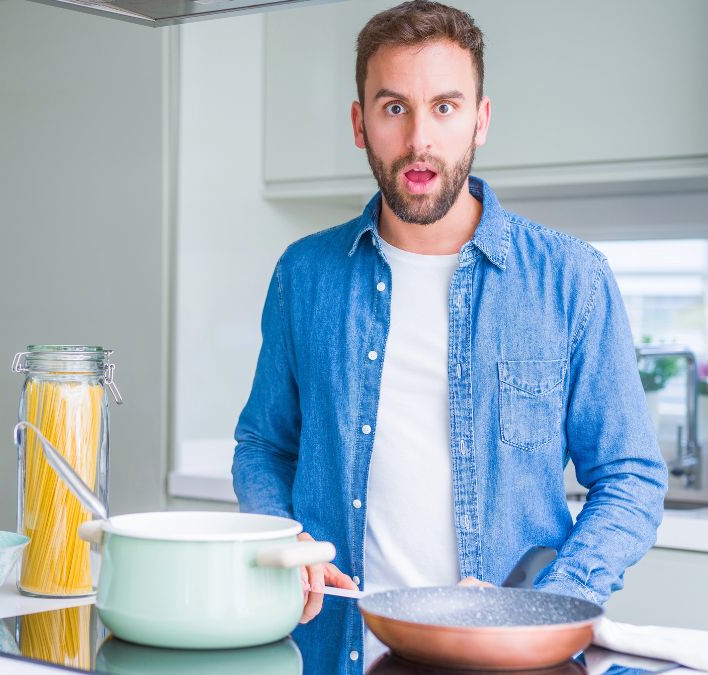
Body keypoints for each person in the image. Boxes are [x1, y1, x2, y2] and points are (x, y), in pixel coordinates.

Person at [232, 1, 668, 669]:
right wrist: (285, 542)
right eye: (393, 107)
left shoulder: (571, 279)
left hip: (510, 662)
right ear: (360, 123)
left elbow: (631, 477)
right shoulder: (305, 275)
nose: (419, 142)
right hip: (330, 652)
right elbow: (263, 445)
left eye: (444, 107)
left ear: (480, 120)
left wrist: (538, 610)